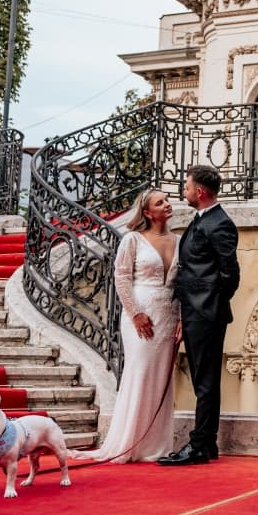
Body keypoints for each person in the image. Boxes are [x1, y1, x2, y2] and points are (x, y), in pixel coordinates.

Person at [72, 188, 179, 462]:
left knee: (162, 377)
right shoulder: (133, 239)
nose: (167, 204)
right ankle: (128, 441)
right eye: (160, 202)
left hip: (168, 314)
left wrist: (181, 319)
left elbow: (183, 284)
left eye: (167, 200)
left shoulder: (179, 241)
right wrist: (135, 313)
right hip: (140, 314)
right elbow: (121, 278)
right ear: (147, 212)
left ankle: (155, 445)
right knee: (139, 372)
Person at [158, 165, 240, 465]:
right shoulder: (203, 219)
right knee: (202, 380)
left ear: (200, 192)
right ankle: (207, 444)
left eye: (187, 187)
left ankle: (199, 445)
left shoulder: (219, 223)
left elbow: (230, 273)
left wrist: (209, 303)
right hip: (196, 309)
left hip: (206, 312)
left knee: (205, 382)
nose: (185, 191)